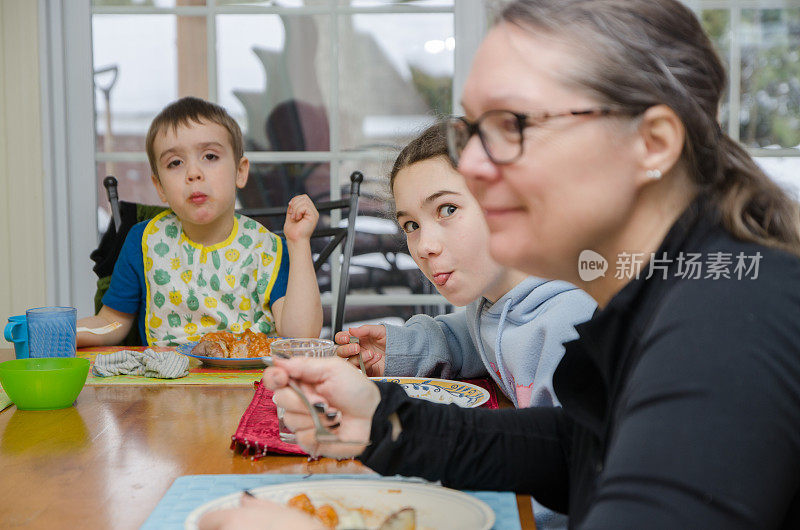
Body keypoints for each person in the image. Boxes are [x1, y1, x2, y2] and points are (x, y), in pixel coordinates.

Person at [208, 0, 800, 528]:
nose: (474, 164)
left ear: (653, 144)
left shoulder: (727, 327)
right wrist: (380, 423)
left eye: (512, 125)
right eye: (472, 131)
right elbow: (579, 449)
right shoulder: (672, 289)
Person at [335, 123, 596, 416]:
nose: (423, 247)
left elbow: (572, 453)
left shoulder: (572, 324)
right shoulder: (493, 306)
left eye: (447, 209)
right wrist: (400, 349)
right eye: (411, 225)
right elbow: (465, 339)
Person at [78, 97, 323, 347]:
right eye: (175, 162)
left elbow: (300, 336)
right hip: (167, 383)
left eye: (210, 156)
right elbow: (112, 321)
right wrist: (63, 332)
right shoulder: (143, 241)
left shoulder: (267, 249)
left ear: (240, 171)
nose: (193, 173)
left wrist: (298, 241)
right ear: (160, 186)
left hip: (250, 383)